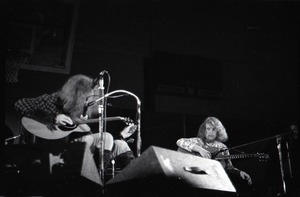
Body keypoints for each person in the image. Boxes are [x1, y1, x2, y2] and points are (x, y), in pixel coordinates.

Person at [14, 74, 136, 177]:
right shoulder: (52, 100)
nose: (89, 101)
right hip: (55, 150)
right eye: (87, 97)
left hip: (79, 151)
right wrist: (52, 118)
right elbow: (21, 104)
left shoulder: (82, 114)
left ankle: (133, 181)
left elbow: (101, 143)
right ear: (77, 94)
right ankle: (96, 179)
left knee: (121, 144)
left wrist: (122, 136)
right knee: (101, 137)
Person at [176, 116, 252, 196]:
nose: (211, 132)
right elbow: (179, 141)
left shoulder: (222, 147)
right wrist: (200, 149)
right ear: (204, 131)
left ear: (218, 131)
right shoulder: (198, 141)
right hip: (196, 179)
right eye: (208, 129)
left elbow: (229, 167)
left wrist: (239, 172)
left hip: (212, 182)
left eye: (214, 129)